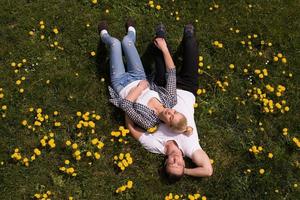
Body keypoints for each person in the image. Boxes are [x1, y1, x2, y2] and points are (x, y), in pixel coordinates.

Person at [125, 24, 213, 181]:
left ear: (166, 162)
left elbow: (133, 130)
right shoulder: (190, 147)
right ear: (184, 163)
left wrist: (127, 108)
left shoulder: (156, 145)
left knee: (159, 49)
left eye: (172, 164)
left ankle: (160, 35)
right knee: (191, 45)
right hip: (187, 88)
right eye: (179, 164)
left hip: (162, 89)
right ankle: (187, 36)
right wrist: (184, 171)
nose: (176, 161)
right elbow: (207, 171)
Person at [98, 20, 193, 135]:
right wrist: (164, 48)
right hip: (138, 75)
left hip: (121, 84)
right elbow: (171, 73)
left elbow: (125, 105)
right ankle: (131, 33)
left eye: (171, 118)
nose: (170, 112)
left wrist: (140, 88)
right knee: (126, 41)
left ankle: (104, 35)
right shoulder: (171, 100)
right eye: (175, 112)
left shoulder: (148, 122)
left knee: (114, 43)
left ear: (168, 125)